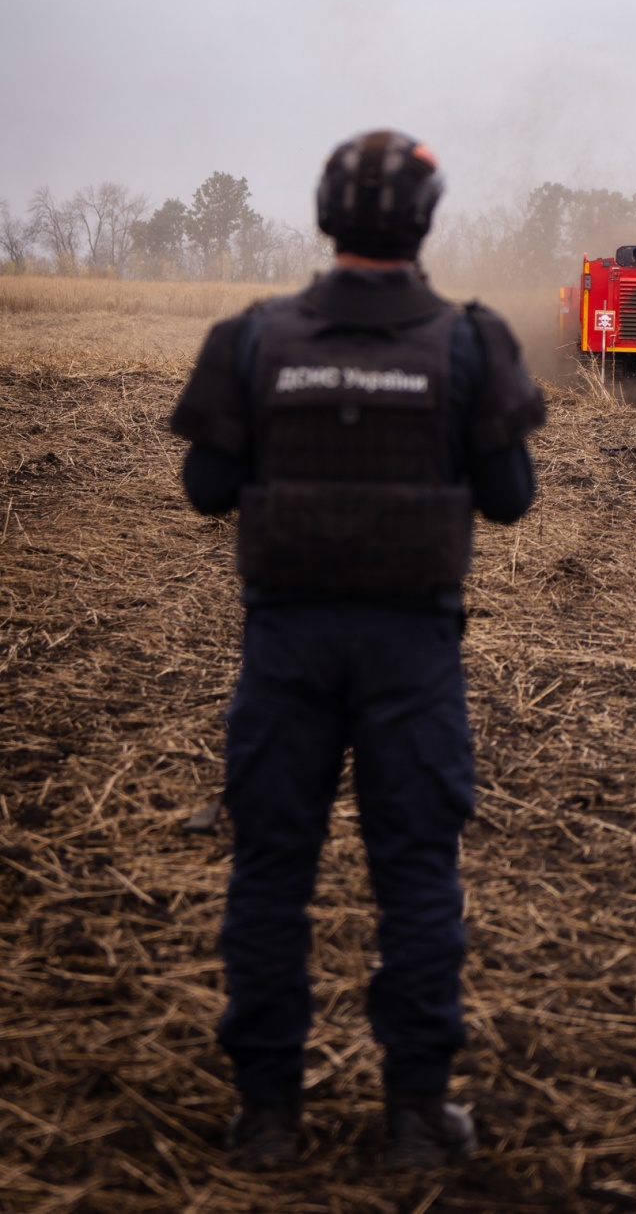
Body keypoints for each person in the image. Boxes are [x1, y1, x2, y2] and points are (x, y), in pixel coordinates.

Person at [170, 130, 545, 1171]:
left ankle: (266, 1120)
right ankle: (419, 1119)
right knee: (416, 876)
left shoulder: (255, 339)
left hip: (284, 645)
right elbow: (512, 500)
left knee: (270, 872)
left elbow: (204, 489)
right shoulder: (470, 343)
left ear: (326, 217)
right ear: (425, 223)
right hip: (412, 652)